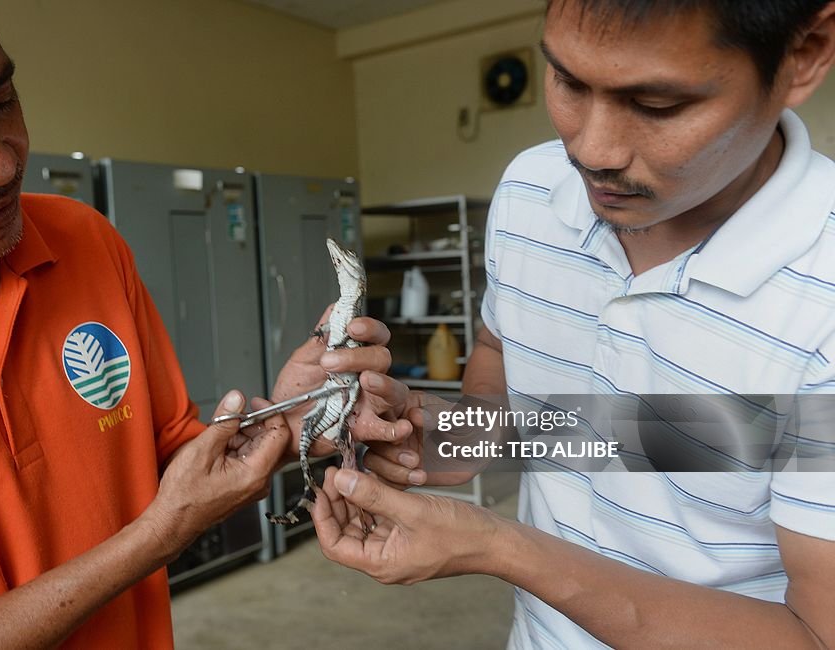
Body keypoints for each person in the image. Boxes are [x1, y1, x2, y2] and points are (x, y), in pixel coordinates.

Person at [0, 1, 411, 647]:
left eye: (0, 101)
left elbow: (169, 460)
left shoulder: (82, 242)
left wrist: (287, 421)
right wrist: (156, 538)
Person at [311, 1, 835, 648]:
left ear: (805, 53)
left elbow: (813, 635)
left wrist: (499, 545)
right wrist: (431, 437)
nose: (591, 151)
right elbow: (552, 414)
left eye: (657, 104)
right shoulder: (531, 192)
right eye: (567, 81)